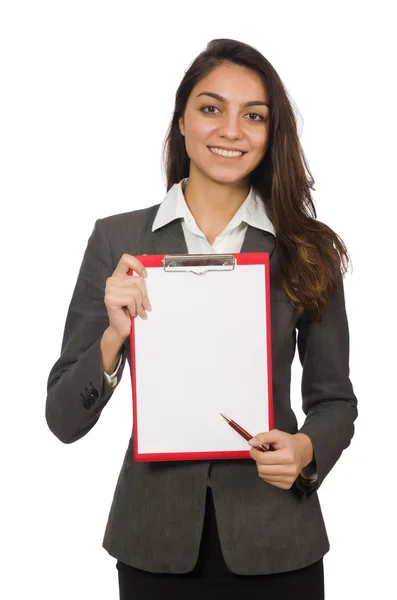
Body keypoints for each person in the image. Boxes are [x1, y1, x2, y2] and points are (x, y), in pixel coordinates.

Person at [45, 38, 358, 599]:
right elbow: (64, 419)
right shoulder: (118, 240)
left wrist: (305, 449)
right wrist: (114, 340)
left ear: (271, 134)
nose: (231, 130)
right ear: (182, 122)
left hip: (278, 540)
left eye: (254, 116)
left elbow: (335, 401)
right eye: (211, 108)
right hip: (153, 544)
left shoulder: (307, 250)